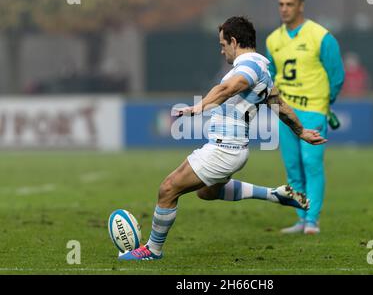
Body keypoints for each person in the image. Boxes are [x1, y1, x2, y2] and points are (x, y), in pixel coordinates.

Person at [119, 16, 327, 260]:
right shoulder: (262, 69)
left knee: (167, 189)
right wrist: (300, 131)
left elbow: (227, 88)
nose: (221, 50)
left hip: (223, 150)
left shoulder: (248, 66)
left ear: (234, 41)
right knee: (206, 193)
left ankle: (152, 250)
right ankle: (275, 194)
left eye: (222, 44)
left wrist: (200, 106)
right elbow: (279, 105)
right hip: (233, 150)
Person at [266, 0, 345, 234]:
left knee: (311, 162)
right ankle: (301, 218)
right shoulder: (272, 40)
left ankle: (312, 220)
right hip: (285, 112)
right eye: (281, 4)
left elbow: (337, 75)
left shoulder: (321, 37)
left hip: (313, 109)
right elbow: (270, 77)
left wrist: (326, 103)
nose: (284, 9)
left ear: (301, 5)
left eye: (290, 4)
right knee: (293, 166)